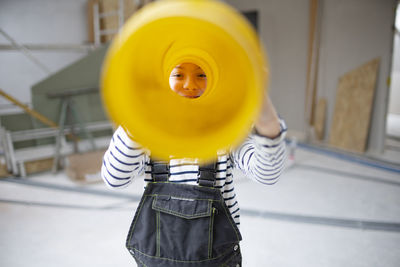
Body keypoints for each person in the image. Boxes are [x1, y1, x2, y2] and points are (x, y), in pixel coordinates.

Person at [101, 62, 287, 267]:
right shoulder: (148, 134)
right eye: (179, 75)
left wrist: (268, 125)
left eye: (202, 75)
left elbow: (267, 174)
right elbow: (114, 179)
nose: (190, 85)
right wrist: (136, 123)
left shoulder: (228, 132)